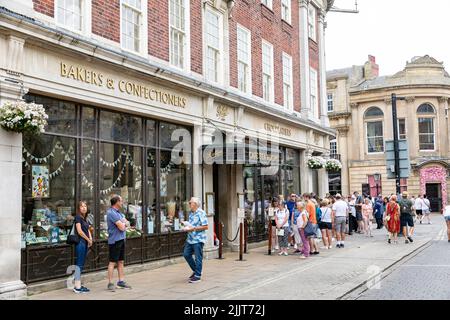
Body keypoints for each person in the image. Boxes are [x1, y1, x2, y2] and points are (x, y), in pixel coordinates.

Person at [107, 195, 132, 291]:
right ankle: (110, 283)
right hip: (114, 241)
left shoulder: (119, 213)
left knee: (121, 261)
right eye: (121, 201)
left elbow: (127, 223)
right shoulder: (111, 213)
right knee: (112, 262)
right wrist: (124, 225)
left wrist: (124, 224)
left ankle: (121, 282)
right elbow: (122, 227)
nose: (122, 203)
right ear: (117, 202)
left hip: (121, 239)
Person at [183, 197, 209, 283]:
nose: (189, 204)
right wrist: (186, 226)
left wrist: (193, 228)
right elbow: (191, 225)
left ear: (195, 204)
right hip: (190, 239)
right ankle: (196, 270)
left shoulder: (201, 213)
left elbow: (206, 226)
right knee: (186, 254)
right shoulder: (191, 213)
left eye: (191, 202)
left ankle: (197, 276)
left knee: (198, 257)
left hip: (198, 239)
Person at [73, 201, 93, 294]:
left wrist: (90, 238)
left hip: (84, 243)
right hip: (80, 243)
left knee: (81, 264)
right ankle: (77, 287)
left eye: (85, 206)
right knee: (79, 265)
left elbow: (88, 229)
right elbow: (80, 232)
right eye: (81, 206)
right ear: (78, 208)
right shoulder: (78, 217)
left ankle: (78, 284)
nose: (84, 208)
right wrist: (88, 240)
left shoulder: (84, 218)